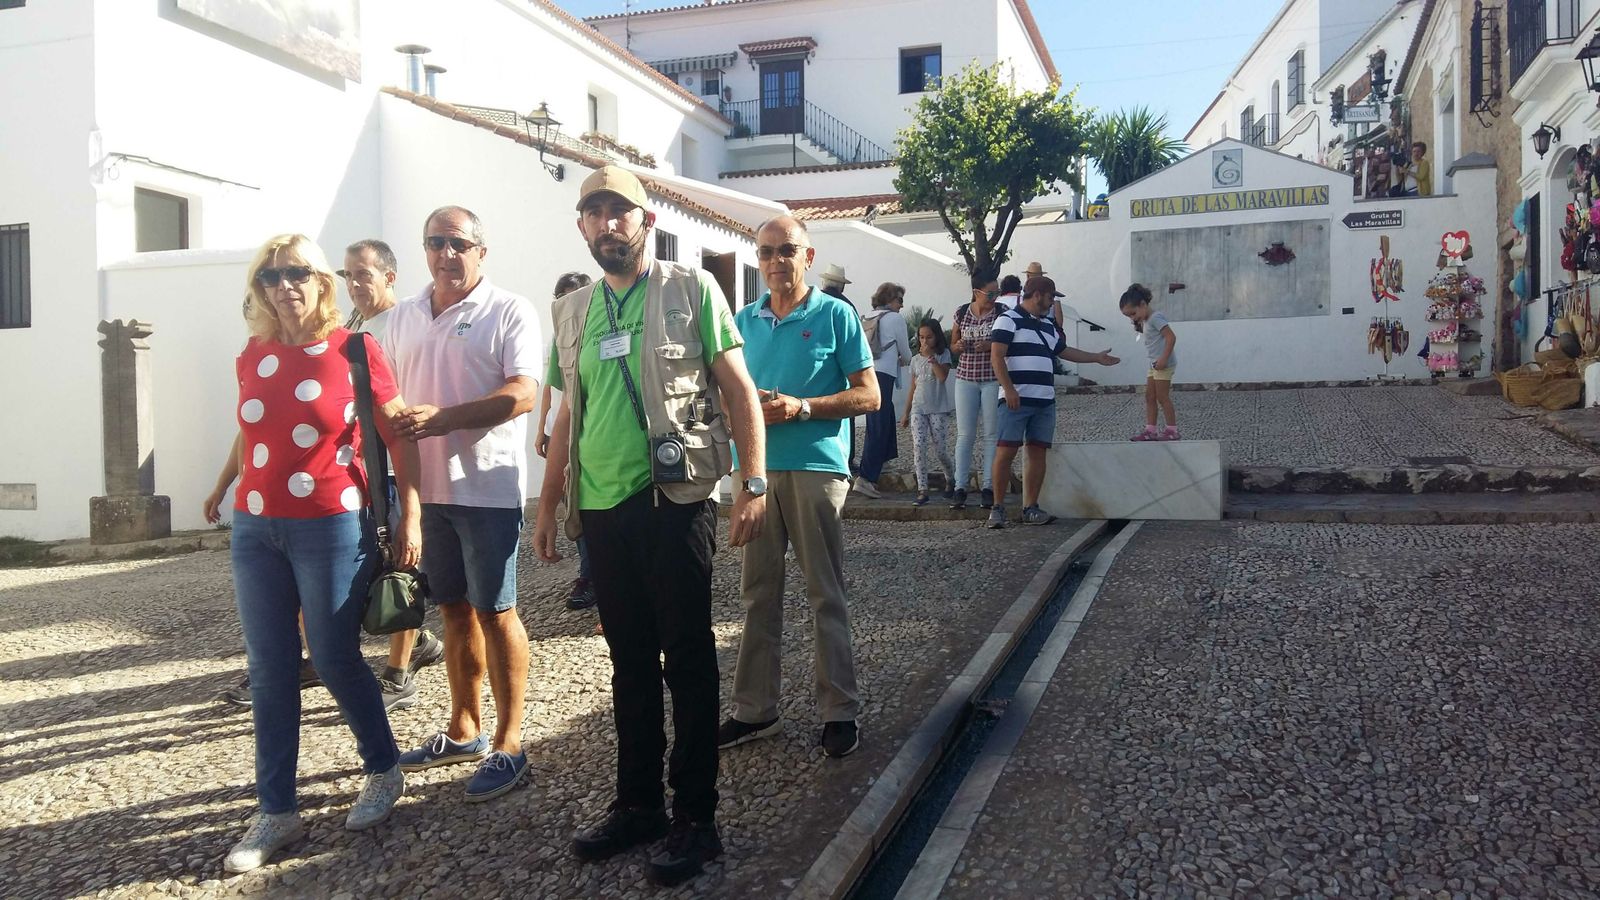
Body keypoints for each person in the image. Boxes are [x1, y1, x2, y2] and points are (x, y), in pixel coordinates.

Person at [533, 166, 767, 888]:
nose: (608, 223)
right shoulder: (572, 311)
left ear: (646, 219)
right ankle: (638, 804)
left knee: (687, 660)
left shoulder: (691, 289)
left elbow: (739, 389)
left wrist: (753, 483)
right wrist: (547, 506)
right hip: (601, 512)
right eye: (594, 212)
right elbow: (568, 412)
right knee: (628, 665)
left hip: (674, 503)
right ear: (581, 226)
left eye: (620, 211)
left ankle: (697, 818)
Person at [210, 233, 421, 873]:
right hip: (256, 529)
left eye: (299, 272)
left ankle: (383, 768)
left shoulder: (354, 349)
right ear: (260, 288)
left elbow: (398, 434)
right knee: (270, 669)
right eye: (271, 276)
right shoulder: (253, 355)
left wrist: (410, 514)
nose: (286, 285)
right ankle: (276, 810)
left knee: (332, 658)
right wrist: (227, 485)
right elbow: (253, 434)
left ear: (321, 281)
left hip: (330, 522)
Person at [384, 206, 542, 803]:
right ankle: (464, 727)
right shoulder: (399, 319)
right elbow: (384, 401)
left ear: (481, 250)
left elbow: (524, 393)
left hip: (486, 489)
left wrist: (444, 420)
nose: (446, 253)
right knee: (451, 610)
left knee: (497, 611)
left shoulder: (508, 310)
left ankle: (510, 742)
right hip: (427, 495)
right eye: (434, 242)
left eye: (457, 243)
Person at [720, 215, 879, 761]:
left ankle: (839, 711)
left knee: (823, 593)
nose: (775, 261)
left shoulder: (837, 316)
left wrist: (803, 407)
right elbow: (725, 399)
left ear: (807, 256)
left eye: (786, 250)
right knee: (757, 595)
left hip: (816, 469)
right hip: (757, 476)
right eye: (765, 252)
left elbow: (870, 396)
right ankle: (754, 709)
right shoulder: (741, 321)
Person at [339, 238, 446, 711]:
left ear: (389, 276)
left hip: (391, 458)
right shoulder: (349, 326)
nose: (355, 283)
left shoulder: (399, 324)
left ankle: (400, 671)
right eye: (348, 275)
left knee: (403, 563)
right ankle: (419, 640)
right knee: (375, 565)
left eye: (363, 273)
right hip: (362, 463)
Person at [989, 276, 1119, 529]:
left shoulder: (1047, 325)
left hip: (1044, 400)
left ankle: (1031, 507)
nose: (1052, 303)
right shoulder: (1007, 320)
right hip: (1017, 398)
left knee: (1038, 452)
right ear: (1037, 295)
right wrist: (1009, 389)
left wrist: (1096, 358)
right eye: (1051, 298)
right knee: (1006, 452)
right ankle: (997, 508)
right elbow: (997, 356)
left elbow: (1064, 350)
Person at [534, 270, 598, 613]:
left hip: (600, 443)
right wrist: (542, 429)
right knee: (577, 506)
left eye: (572, 296)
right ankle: (591, 578)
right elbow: (554, 392)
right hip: (571, 438)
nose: (566, 304)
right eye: (560, 298)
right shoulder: (560, 337)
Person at [949, 273, 1006, 510]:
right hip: (966, 378)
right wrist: (958, 346)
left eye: (997, 293)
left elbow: (1007, 343)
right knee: (965, 435)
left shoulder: (1001, 313)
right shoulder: (962, 312)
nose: (993, 298)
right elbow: (952, 344)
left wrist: (991, 346)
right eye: (990, 294)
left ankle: (988, 486)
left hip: (992, 379)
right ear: (976, 292)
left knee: (991, 434)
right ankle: (960, 486)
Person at [852, 282, 910, 498]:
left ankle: (881, 462)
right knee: (879, 423)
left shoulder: (867, 315)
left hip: (867, 371)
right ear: (890, 299)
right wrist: (907, 361)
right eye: (899, 300)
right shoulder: (895, 319)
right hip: (885, 374)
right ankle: (867, 477)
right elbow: (906, 353)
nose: (901, 306)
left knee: (880, 419)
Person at [899, 318, 956, 506]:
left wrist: (931, 358)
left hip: (938, 408)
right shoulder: (915, 360)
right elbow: (912, 388)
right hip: (918, 408)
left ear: (936, 337)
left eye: (929, 337)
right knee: (919, 448)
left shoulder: (943, 355)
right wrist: (906, 413)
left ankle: (951, 477)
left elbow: (942, 377)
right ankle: (922, 489)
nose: (925, 341)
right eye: (922, 337)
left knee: (940, 450)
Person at [1120, 284, 1179, 441]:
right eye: (1129, 317)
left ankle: (1172, 430)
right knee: (1149, 396)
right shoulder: (1146, 319)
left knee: (1162, 397)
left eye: (1133, 313)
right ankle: (1150, 430)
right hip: (1154, 364)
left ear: (1143, 305)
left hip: (1163, 364)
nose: (1133, 318)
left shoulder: (1155, 318)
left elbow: (1171, 337)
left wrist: (1163, 359)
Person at [817, 263, 860, 473]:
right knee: (846, 411)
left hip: (818, 371)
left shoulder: (814, 303)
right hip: (842, 369)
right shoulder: (847, 306)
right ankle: (846, 457)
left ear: (824, 282)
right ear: (841, 286)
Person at [1022, 262, 1065, 332]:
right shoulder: (1052, 293)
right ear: (1042, 275)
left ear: (1027, 276)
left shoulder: (1022, 294)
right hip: (1049, 330)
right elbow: (1059, 322)